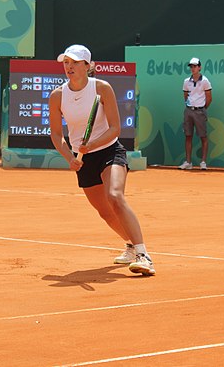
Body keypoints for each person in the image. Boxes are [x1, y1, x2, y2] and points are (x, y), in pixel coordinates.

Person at [49, 44, 154, 275]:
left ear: (88, 66)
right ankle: (128, 244)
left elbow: (115, 128)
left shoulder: (102, 89)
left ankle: (143, 254)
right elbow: (56, 134)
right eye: (66, 63)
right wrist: (70, 158)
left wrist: (93, 144)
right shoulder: (57, 96)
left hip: (109, 151)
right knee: (105, 212)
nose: (69, 67)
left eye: (75, 63)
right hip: (83, 160)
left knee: (115, 196)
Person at [180, 57, 212, 170]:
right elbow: (185, 96)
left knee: (203, 136)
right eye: (191, 67)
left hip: (200, 111)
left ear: (199, 67)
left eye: (195, 66)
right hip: (188, 111)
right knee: (188, 136)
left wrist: (202, 109)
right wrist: (190, 106)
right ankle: (188, 162)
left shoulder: (205, 81)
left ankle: (203, 162)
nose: (193, 68)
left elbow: (209, 98)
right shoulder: (186, 82)